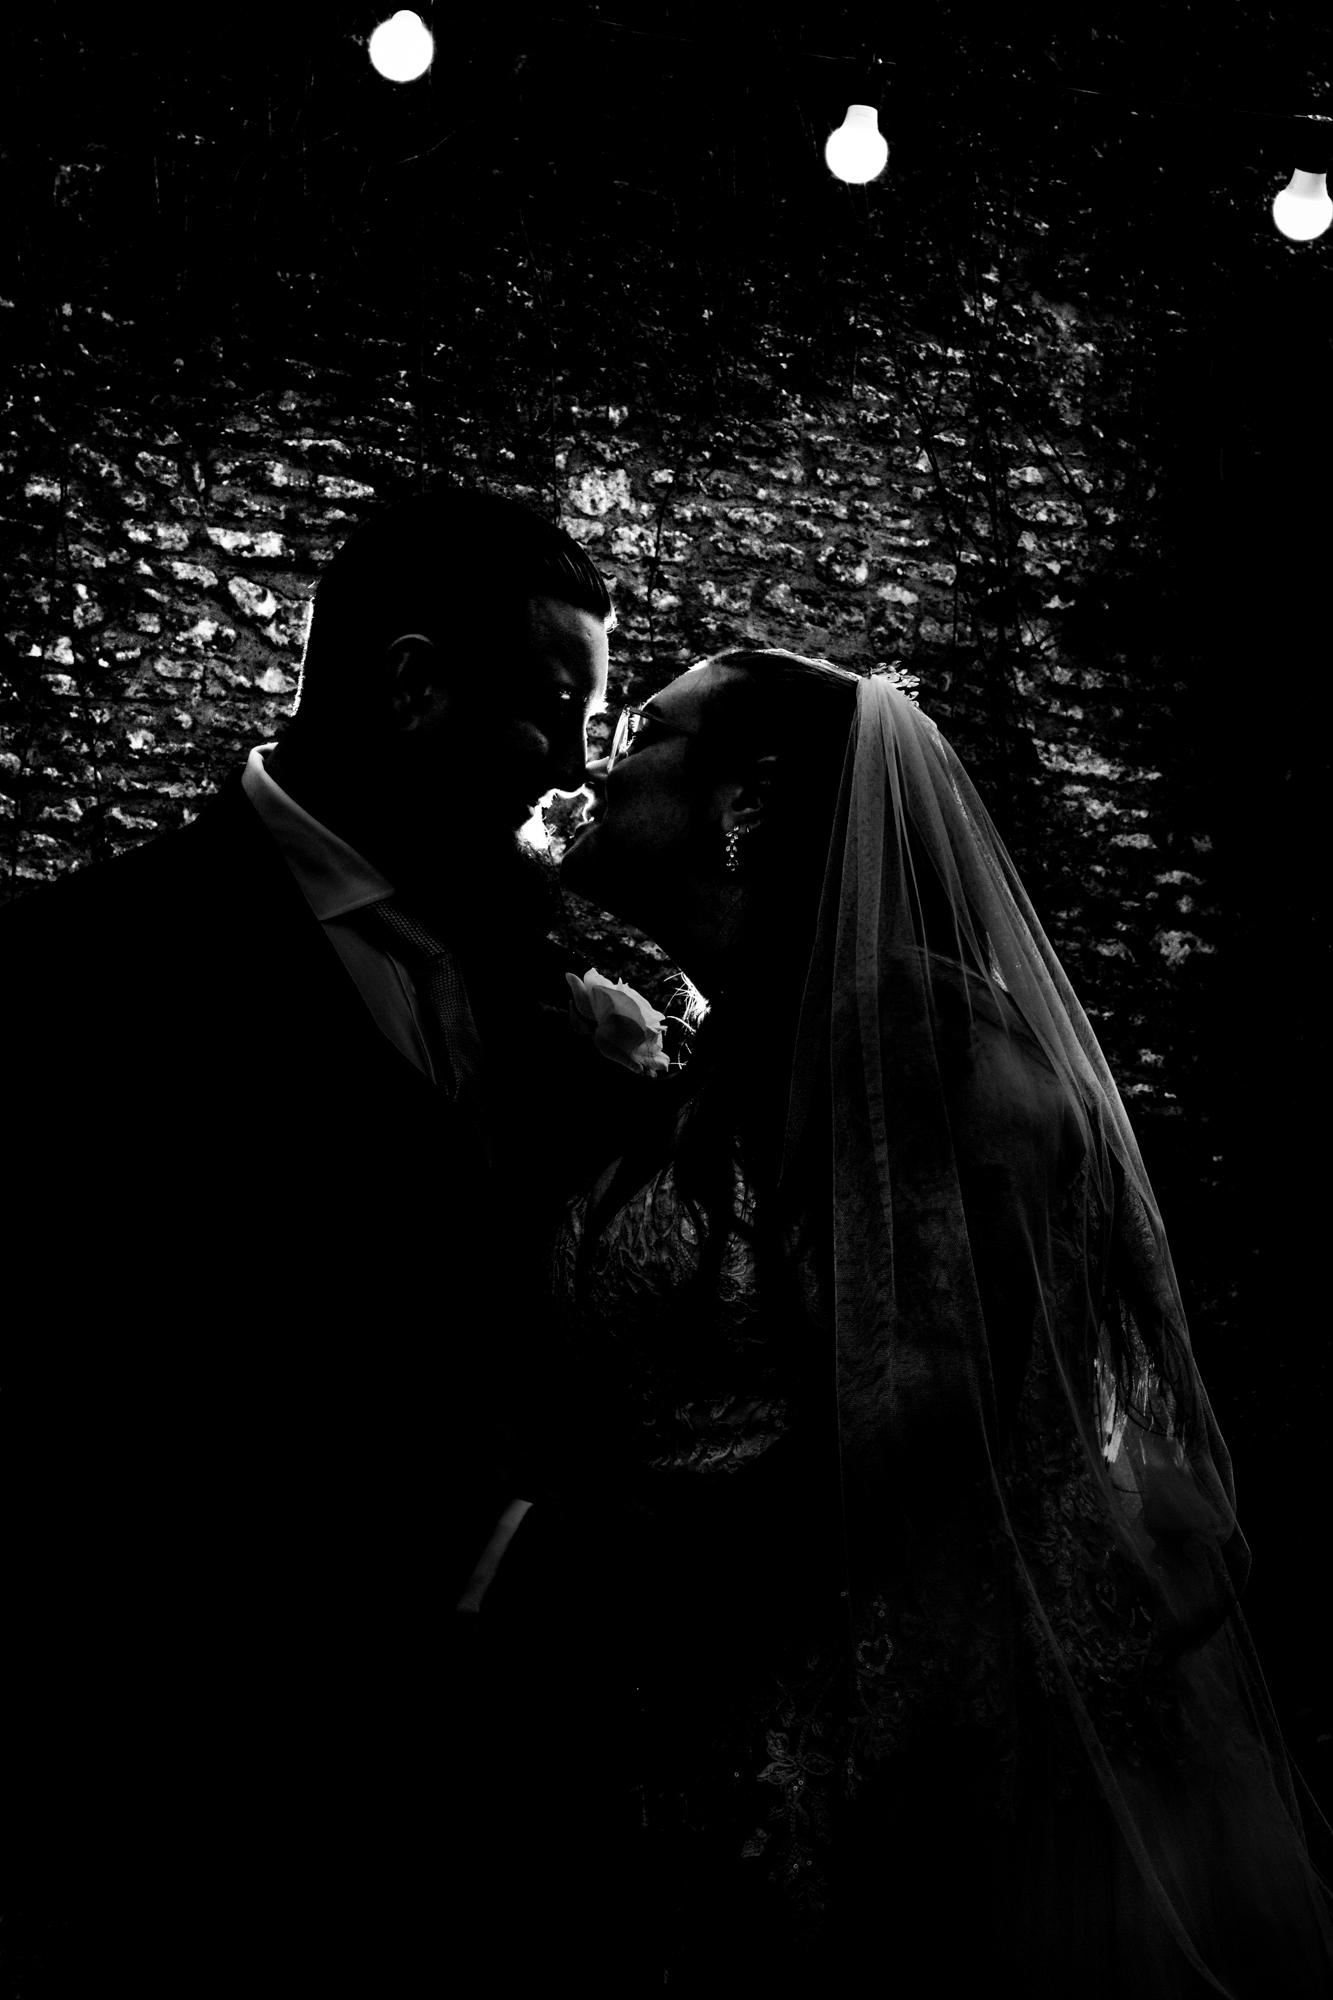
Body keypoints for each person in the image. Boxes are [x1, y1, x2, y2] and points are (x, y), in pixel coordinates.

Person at [482, 649, 1333, 1994]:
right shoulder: (719, 1059)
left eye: (643, 732)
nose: (594, 758)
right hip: (668, 1751)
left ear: (742, 804)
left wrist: (589, 1557)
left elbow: (926, 1429)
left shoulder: (924, 1051)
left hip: (852, 1779)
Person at [0, 489, 640, 1995]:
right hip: (200, 1812)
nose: (569, 772)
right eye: (553, 713)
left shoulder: (535, 962)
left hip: (493, 1825)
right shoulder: (79, 974)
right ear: (411, 685)